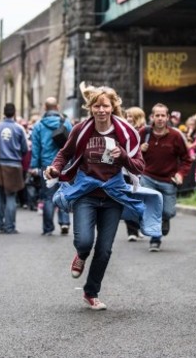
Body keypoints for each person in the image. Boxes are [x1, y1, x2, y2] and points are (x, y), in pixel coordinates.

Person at [46, 84, 145, 310]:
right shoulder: (81, 129)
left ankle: (91, 293)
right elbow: (65, 153)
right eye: (96, 106)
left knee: (104, 249)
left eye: (105, 105)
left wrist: (123, 158)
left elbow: (139, 166)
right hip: (86, 192)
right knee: (84, 241)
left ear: (113, 107)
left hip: (113, 195)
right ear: (91, 108)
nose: (101, 110)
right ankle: (81, 254)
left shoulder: (125, 133)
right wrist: (54, 168)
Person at [139, 103, 193, 252]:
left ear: (168, 117)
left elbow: (187, 159)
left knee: (167, 211)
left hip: (168, 180)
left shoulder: (175, 136)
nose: (160, 118)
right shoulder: (144, 133)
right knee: (153, 207)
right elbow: (130, 153)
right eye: (157, 115)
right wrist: (139, 150)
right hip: (148, 176)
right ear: (152, 117)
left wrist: (180, 174)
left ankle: (165, 219)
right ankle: (155, 239)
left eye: (163, 115)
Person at [30, 97, 73, 235]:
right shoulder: (66, 123)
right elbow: (73, 144)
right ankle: (65, 222)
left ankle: (48, 228)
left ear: (45, 108)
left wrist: (34, 166)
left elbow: (36, 148)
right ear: (58, 107)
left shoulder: (39, 125)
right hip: (64, 164)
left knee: (48, 197)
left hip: (46, 164)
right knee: (64, 193)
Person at [0, 103, 28, 234]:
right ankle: (10, 226)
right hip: (15, 165)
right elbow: (25, 149)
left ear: (3, 112)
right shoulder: (19, 128)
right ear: (14, 112)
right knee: (11, 196)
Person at [122, 106, 147, 241]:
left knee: (139, 200)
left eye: (131, 116)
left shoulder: (146, 132)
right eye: (127, 116)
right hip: (125, 172)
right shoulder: (123, 131)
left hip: (141, 172)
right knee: (128, 200)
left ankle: (138, 226)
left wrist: (143, 149)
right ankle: (131, 231)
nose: (128, 118)